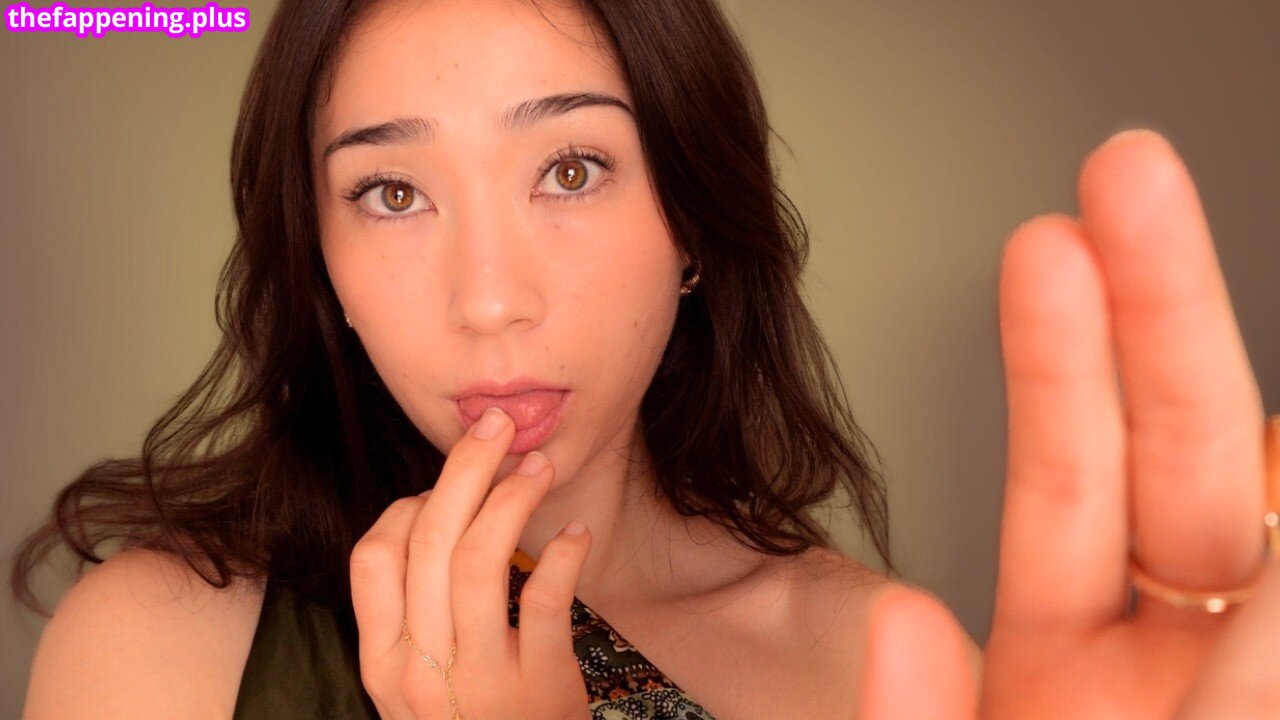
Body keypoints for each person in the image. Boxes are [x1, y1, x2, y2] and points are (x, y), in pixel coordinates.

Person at [12, 0, 1279, 718]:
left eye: (570, 170)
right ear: (322, 268)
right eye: (391, 193)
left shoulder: (873, 669)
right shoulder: (165, 651)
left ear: (691, 230)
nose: (488, 300)